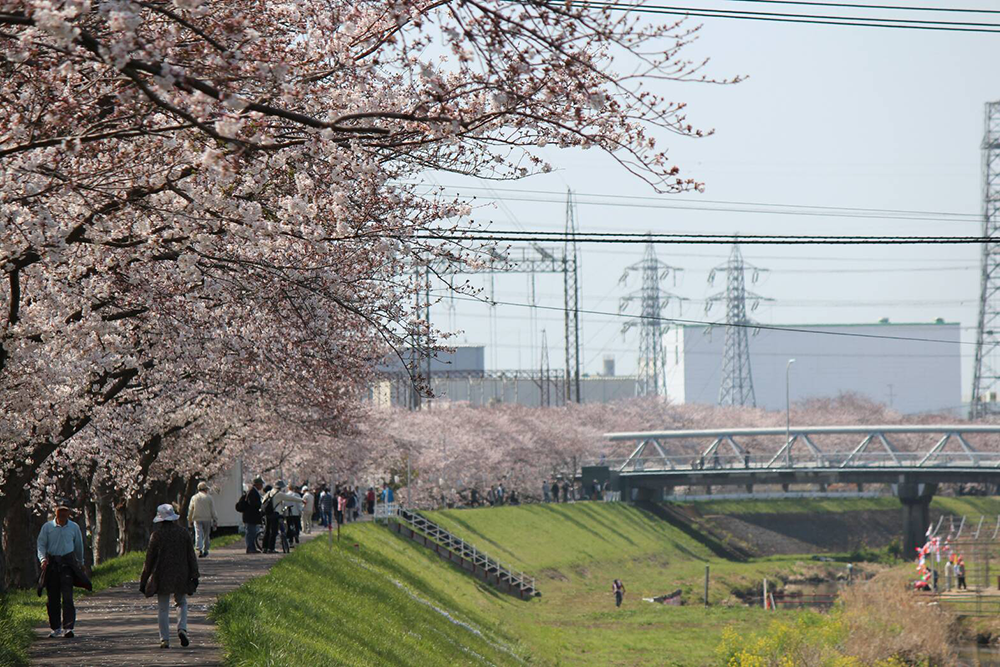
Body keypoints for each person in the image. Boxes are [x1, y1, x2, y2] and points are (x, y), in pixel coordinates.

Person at [140, 504, 199, 650]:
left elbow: (149, 560)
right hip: (181, 573)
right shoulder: (183, 533)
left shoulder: (157, 536)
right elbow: (191, 555)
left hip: (162, 574)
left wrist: (144, 580)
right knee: (181, 602)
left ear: (160, 519)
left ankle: (164, 639)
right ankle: (182, 629)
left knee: (163, 608)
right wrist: (195, 574)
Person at [36, 499, 90, 639]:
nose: (62, 517)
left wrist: (80, 561)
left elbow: (78, 545)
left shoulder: (74, 527)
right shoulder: (47, 528)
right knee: (52, 598)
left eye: (65, 514)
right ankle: (55, 628)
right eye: (60, 513)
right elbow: (41, 545)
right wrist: (42, 559)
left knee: (67, 597)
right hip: (52, 563)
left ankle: (68, 627)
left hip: (67, 564)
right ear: (56, 514)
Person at [261, 481, 304, 553]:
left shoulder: (269, 493)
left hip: (267, 514)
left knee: (267, 530)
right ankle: (271, 548)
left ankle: (264, 547)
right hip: (275, 514)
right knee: (273, 531)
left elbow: (263, 501)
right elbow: (290, 498)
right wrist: (301, 500)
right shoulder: (279, 494)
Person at [187, 481, 218, 558]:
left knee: (198, 534)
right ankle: (206, 549)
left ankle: (199, 548)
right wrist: (215, 519)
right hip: (207, 518)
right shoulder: (209, 498)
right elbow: (212, 510)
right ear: (205, 489)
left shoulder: (194, 498)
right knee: (206, 535)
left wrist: (189, 519)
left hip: (197, 518)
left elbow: (191, 509)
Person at [241, 477, 264, 554]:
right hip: (250, 516)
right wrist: (259, 506)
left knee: (252, 532)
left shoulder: (253, 491)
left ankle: (252, 547)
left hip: (251, 516)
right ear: (257, 484)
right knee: (250, 533)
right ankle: (250, 548)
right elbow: (253, 504)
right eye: (261, 484)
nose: (262, 486)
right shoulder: (252, 491)